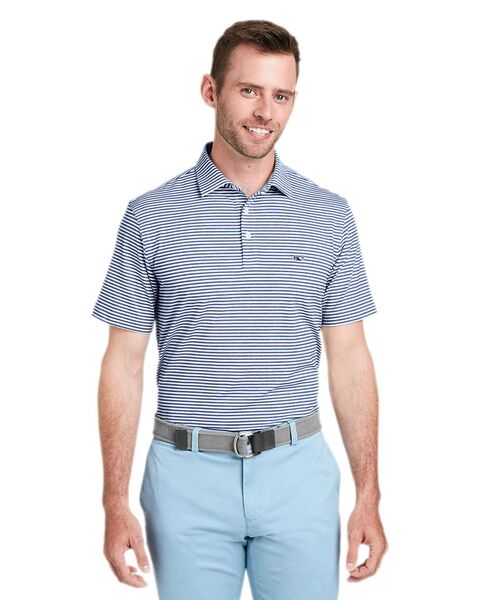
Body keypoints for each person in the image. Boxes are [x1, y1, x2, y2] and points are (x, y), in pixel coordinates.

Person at [92, 19, 388, 600]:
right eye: (249, 90)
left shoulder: (328, 214)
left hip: (299, 475)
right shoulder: (151, 214)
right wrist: (113, 502)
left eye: (281, 96)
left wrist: (369, 495)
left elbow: (351, 357)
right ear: (212, 91)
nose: (265, 112)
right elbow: (122, 364)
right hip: (185, 479)